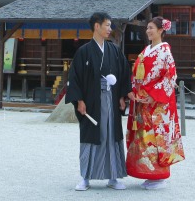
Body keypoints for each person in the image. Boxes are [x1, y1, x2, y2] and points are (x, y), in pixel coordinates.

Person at [65, 12, 132, 191]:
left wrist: (121, 96)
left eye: (110, 26)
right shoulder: (84, 51)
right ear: (97, 26)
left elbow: (124, 72)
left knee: (111, 135)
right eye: (107, 25)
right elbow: (75, 77)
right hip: (91, 102)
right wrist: (79, 100)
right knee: (91, 135)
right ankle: (86, 177)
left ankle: (113, 176)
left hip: (110, 99)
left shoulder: (114, 50)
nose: (110, 29)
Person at [126, 16, 185, 190]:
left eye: (151, 28)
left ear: (161, 30)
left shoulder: (165, 51)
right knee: (144, 138)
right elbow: (137, 74)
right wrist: (133, 91)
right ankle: (149, 173)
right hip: (143, 101)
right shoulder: (146, 50)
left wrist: (153, 95)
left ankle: (159, 176)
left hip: (157, 104)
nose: (148, 31)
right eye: (147, 28)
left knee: (156, 139)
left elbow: (170, 76)